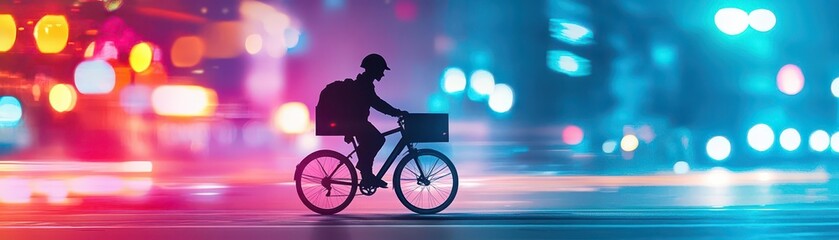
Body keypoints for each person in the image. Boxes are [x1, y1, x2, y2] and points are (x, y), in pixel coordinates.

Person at [345, 53, 408, 188]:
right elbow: (377, 103)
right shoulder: (364, 85)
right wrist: (396, 112)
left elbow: (377, 103)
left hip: (357, 122)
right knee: (378, 139)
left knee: (372, 141)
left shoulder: (365, 83)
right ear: (374, 69)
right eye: (381, 70)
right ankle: (365, 171)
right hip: (357, 123)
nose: (383, 74)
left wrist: (395, 112)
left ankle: (367, 175)